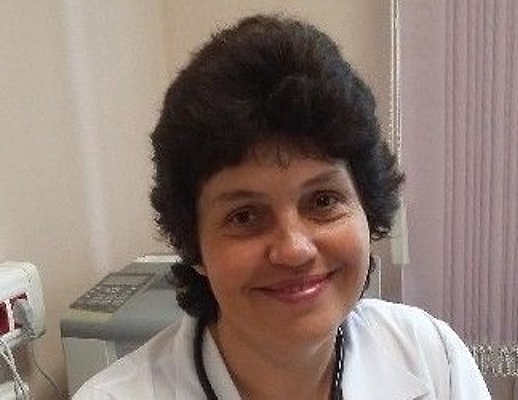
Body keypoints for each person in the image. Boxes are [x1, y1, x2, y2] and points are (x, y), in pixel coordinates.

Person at [73, 14, 490, 400]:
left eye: (323, 201)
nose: (294, 249)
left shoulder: (432, 356)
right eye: (244, 216)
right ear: (194, 245)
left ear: (367, 206)